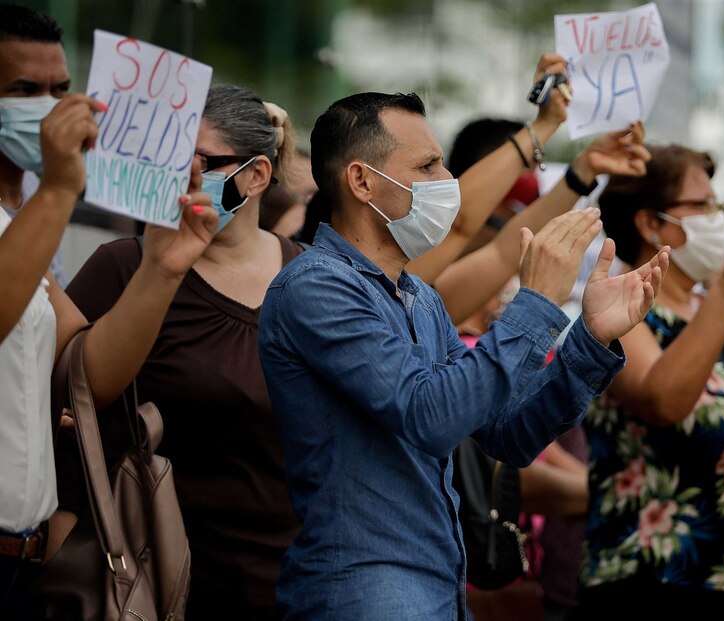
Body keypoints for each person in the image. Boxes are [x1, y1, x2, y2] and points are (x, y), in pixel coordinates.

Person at [258, 91, 669, 620]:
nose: (448, 181)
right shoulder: (315, 289)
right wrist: (537, 301)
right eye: (428, 165)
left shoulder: (418, 296)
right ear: (361, 181)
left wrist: (589, 342)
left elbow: (507, 433)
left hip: (437, 585)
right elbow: (429, 415)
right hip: (365, 593)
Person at [0, 4, 216, 616]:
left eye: (61, 89)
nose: (53, 107)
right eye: (24, 91)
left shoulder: (23, 232)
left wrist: (160, 269)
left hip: (22, 563)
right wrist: (65, 187)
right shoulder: (35, 221)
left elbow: (88, 376)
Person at [61, 84, 299, 621]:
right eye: (161, 162)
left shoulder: (316, 279)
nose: (174, 179)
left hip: (299, 585)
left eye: (195, 163)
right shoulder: (125, 266)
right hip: (156, 579)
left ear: (255, 176)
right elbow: (59, 387)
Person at [574, 144, 724, 619]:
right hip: (648, 583)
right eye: (702, 206)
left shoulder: (709, 314)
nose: (718, 220)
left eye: (719, 206)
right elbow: (663, 400)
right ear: (651, 224)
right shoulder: (619, 311)